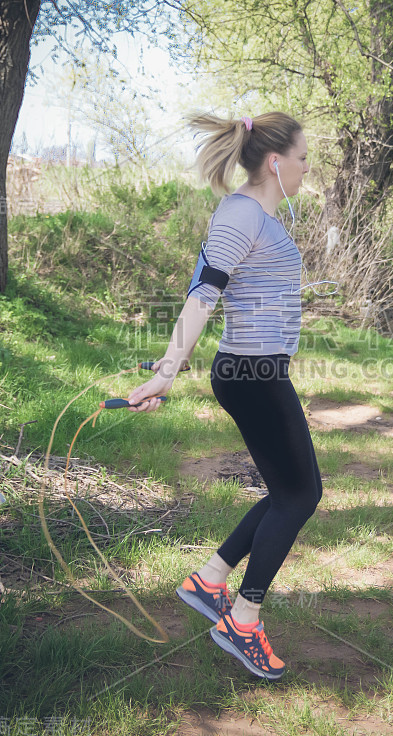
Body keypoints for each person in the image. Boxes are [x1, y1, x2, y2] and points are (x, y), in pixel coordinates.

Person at [126, 112, 323, 680]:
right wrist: (168, 367)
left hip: (256, 369)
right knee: (301, 494)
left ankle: (210, 580)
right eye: (304, 157)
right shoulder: (242, 213)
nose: (309, 168)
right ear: (275, 161)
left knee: (288, 490)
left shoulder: (259, 214)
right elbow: (203, 291)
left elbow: (225, 279)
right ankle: (243, 620)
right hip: (254, 373)